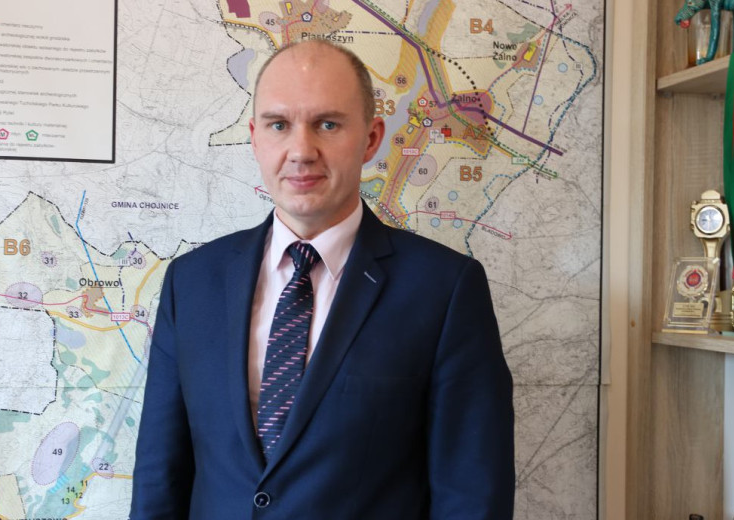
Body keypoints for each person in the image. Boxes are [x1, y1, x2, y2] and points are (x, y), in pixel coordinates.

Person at [130, 40, 514, 519]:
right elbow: (159, 477)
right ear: (255, 137)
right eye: (279, 125)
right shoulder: (191, 283)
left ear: (371, 138)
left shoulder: (444, 290)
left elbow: (472, 494)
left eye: (327, 124)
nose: (301, 151)